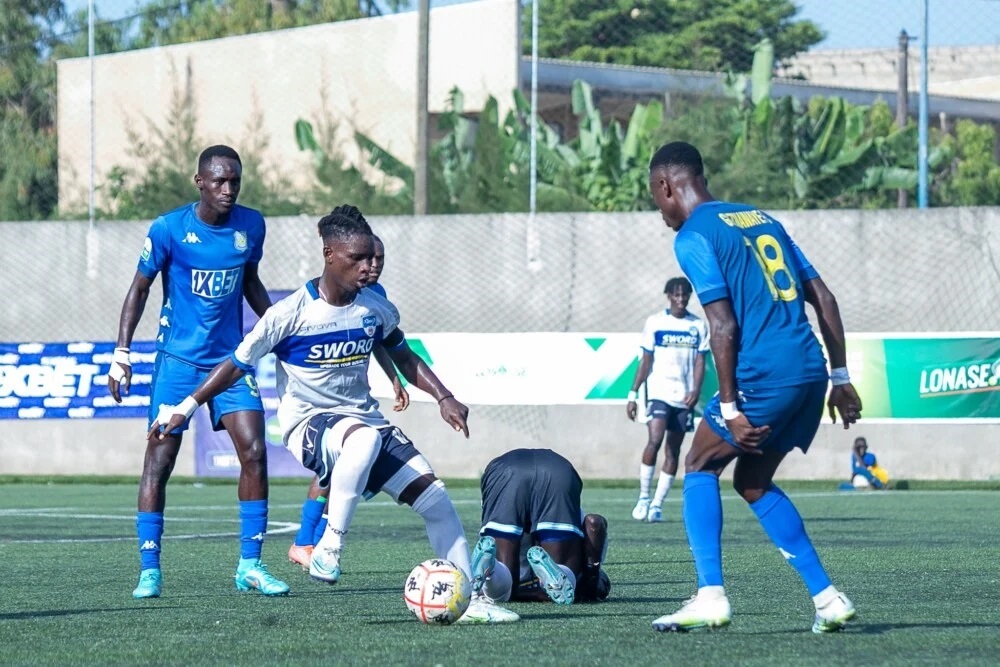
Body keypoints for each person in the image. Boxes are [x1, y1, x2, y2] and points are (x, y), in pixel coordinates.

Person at [149, 205, 518, 623]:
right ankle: (329, 547)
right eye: (357, 258)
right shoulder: (289, 313)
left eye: (372, 258)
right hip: (308, 425)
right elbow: (235, 364)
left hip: (365, 420)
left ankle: (468, 601)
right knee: (362, 439)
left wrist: (443, 396)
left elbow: (402, 354)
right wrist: (186, 406)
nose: (367, 267)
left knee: (437, 501)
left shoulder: (375, 306)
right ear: (329, 255)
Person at [646, 142, 862, 634]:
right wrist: (840, 377)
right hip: (810, 372)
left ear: (665, 186)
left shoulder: (694, 235)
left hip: (766, 374)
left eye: (655, 198)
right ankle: (828, 599)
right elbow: (824, 297)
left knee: (699, 463)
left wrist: (728, 405)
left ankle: (710, 596)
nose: (659, 210)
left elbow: (722, 325)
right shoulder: (761, 218)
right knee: (752, 481)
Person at [108, 144, 288, 599]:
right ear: (200, 182)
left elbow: (250, 282)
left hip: (231, 361)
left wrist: (278, 332)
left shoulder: (252, 225)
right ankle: (150, 568)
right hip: (177, 362)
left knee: (255, 452)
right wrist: (122, 353)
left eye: (235, 181)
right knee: (160, 460)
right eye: (220, 181)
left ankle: (250, 565)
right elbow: (140, 288)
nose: (229, 189)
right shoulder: (169, 229)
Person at [286, 233, 409, 570]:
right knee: (337, 469)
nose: (373, 265)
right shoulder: (327, 296)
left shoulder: (376, 297)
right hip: (324, 404)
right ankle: (310, 542)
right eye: (368, 258)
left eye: (380, 259)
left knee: (340, 471)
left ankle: (309, 543)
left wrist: (393, 377)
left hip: (354, 403)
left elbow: (379, 340)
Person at [471, 448, 610, 606]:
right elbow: (594, 523)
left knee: (504, 589)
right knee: (564, 576)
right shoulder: (587, 565)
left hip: (507, 469)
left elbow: (594, 523)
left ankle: (492, 569)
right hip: (557, 471)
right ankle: (553, 574)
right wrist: (590, 577)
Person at [627, 277, 709, 523]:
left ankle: (657, 504)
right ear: (669, 296)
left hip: (684, 398)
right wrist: (633, 394)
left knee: (673, 450)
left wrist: (695, 390)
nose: (681, 299)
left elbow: (700, 362)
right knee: (654, 440)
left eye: (685, 295)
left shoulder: (698, 325)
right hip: (659, 393)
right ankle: (643, 497)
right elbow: (646, 361)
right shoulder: (655, 322)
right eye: (676, 295)